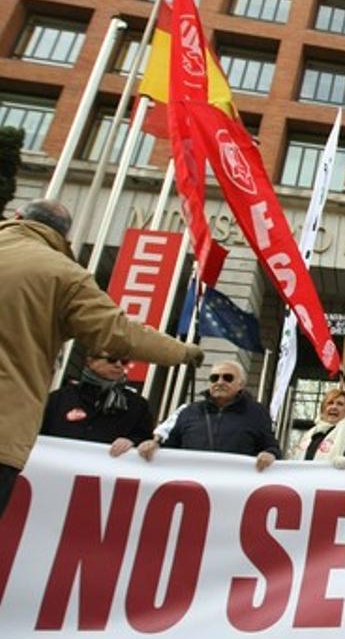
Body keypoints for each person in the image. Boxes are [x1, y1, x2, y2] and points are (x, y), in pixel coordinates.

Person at [0, 199, 202, 516]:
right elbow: (117, 332)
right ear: (63, 236)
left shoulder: (134, 407)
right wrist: (183, 350)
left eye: (122, 363)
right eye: (113, 361)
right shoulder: (63, 275)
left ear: (17, 216)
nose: (119, 366)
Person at [137, 361, 279, 471]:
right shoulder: (189, 411)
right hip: (189, 486)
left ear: (241, 384)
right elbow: (171, 446)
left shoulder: (257, 413)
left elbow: (272, 448)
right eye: (214, 378)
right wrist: (154, 445)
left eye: (227, 378)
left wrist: (270, 454)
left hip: (234, 491)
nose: (219, 382)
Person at [41, 353, 153, 457]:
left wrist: (132, 441)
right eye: (111, 359)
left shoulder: (136, 405)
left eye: (124, 361)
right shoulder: (59, 398)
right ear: (90, 361)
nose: (118, 365)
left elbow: (146, 440)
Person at [290, 387, 345, 468]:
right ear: (323, 410)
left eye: (340, 404)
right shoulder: (312, 434)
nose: (334, 407)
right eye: (330, 403)